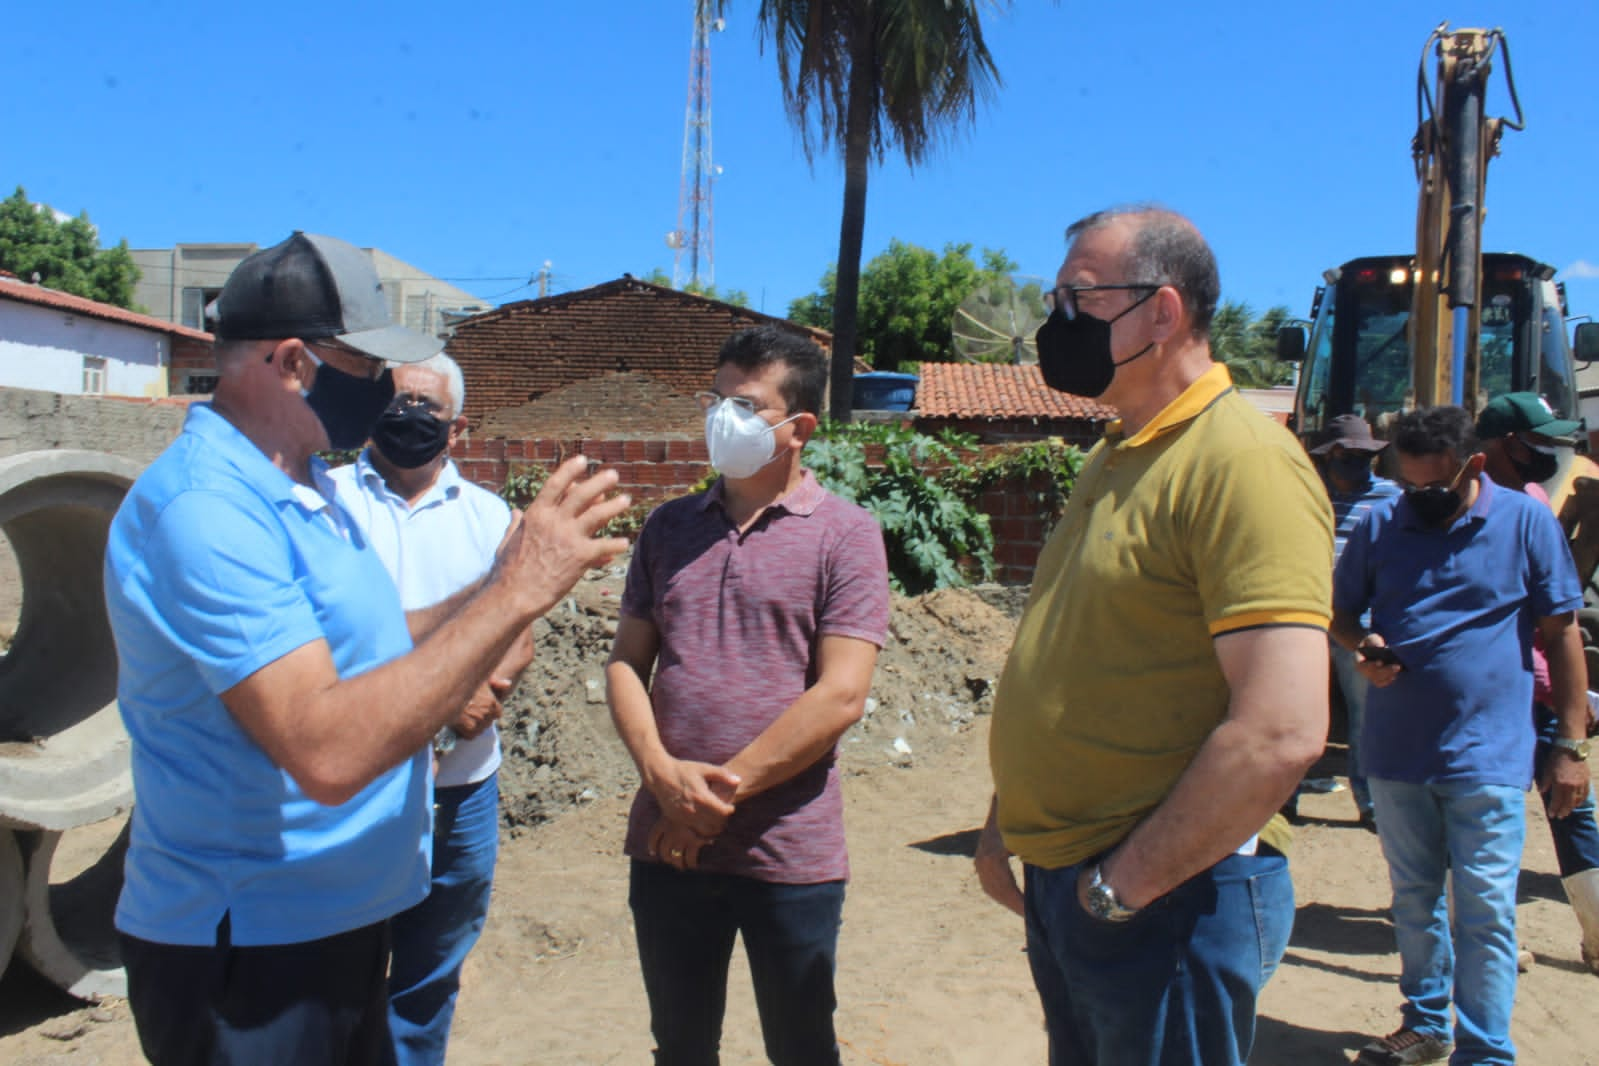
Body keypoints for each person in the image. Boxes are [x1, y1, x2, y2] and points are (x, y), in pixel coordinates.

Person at [103, 232, 629, 1066]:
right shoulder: (208, 513)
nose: (384, 391)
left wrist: (497, 579)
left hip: (333, 922)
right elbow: (325, 750)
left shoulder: (301, 486)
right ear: (290, 362)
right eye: (365, 365)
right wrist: (513, 593)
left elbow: (380, 638)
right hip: (253, 951)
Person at [974, 205, 1333, 1065]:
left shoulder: (1241, 460)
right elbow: (1078, 656)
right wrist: (1009, 820)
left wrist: (1117, 890)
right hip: (1080, 882)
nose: (1053, 326)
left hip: (1167, 897)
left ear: (1163, 312)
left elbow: (1280, 730)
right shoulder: (1118, 451)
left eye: (1077, 300)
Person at [605, 325, 890, 1065]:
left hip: (787, 852)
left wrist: (710, 801)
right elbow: (625, 665)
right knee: (680, 1044)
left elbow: (840, 696)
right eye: (716, 398)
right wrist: (665, 781)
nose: (721, 417)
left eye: (745, 403)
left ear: (799, 428)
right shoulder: (669, 528)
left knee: (800, 1045)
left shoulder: (847, 536)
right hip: (666, 843)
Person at [1334, 405, 1589, 1066]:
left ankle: (1485, 1053)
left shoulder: (1524, 521)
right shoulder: (1379, 523)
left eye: (1432, 488)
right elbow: (1336, 613)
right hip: (1396, 754)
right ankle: (1424, 1024)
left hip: (1489, 755)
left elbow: (1561, 634)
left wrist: (1570, 744)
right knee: (1414, 902)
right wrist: (1362, 644)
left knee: (1484, 912)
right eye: (1407, 484)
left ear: (1473, 466)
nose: (1417, 499)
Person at [330, 352, 532, 1064]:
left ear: (460, 427)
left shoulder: (488, 517)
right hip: (355, 786)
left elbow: (516, 634)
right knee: (336, 966)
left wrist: (477, 700)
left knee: (430, 970)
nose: (409, 418)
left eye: (427, 408)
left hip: (459, 789)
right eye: (398, 402)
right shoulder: (321, 504)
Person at [1475, 391, 1599, 974]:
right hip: (1510, 693)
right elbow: (1551, 622)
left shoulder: (1523, 501)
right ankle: (1490, 942)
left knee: (1564, 810)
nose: (1552, 452)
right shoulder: (1501, 509)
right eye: (1541, 441)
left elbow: (1556, 618)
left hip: (1529, 689)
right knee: (1492, 822)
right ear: (1508, 444)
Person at [1307, 413, 1402, 828]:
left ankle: (1369, 802)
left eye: (1361, 455)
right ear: (1327, 457)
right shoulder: (1308, 496)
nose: (1353, 462)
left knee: (1364, 717)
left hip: (1356, 626)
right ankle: (1284, 797)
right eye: (1343, 455)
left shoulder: (1391, 500)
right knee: (1301, 712)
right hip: (1306, 620)